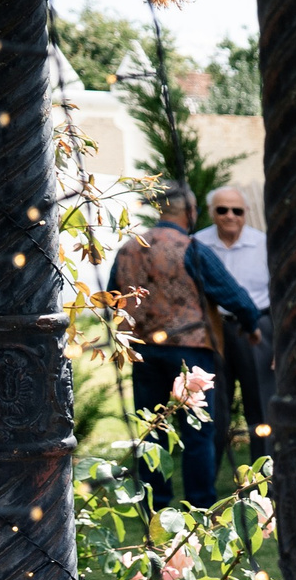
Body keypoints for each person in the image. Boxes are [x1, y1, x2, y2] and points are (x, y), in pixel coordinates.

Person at [110, 182, 263, 507]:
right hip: (190, 350)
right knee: (197, 431)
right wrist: (251, 323)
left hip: (142, 350)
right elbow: (229, 293)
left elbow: (112, 295)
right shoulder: (190, 247)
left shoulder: (130, 247)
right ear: (191, 212)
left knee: (152, 430)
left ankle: (154, 502)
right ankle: (200, 502)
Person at [194, 184, 271, 460]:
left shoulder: (264, 244)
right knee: (214, 407)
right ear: (212, 213)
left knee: (261, 406)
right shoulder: (197, 243)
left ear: (246, 213)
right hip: (213, 329)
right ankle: (209, 482)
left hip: (257, 328)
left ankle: (265, 477)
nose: (230, 216)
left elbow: (280, 292)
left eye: (237, 210)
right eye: (222, 210)